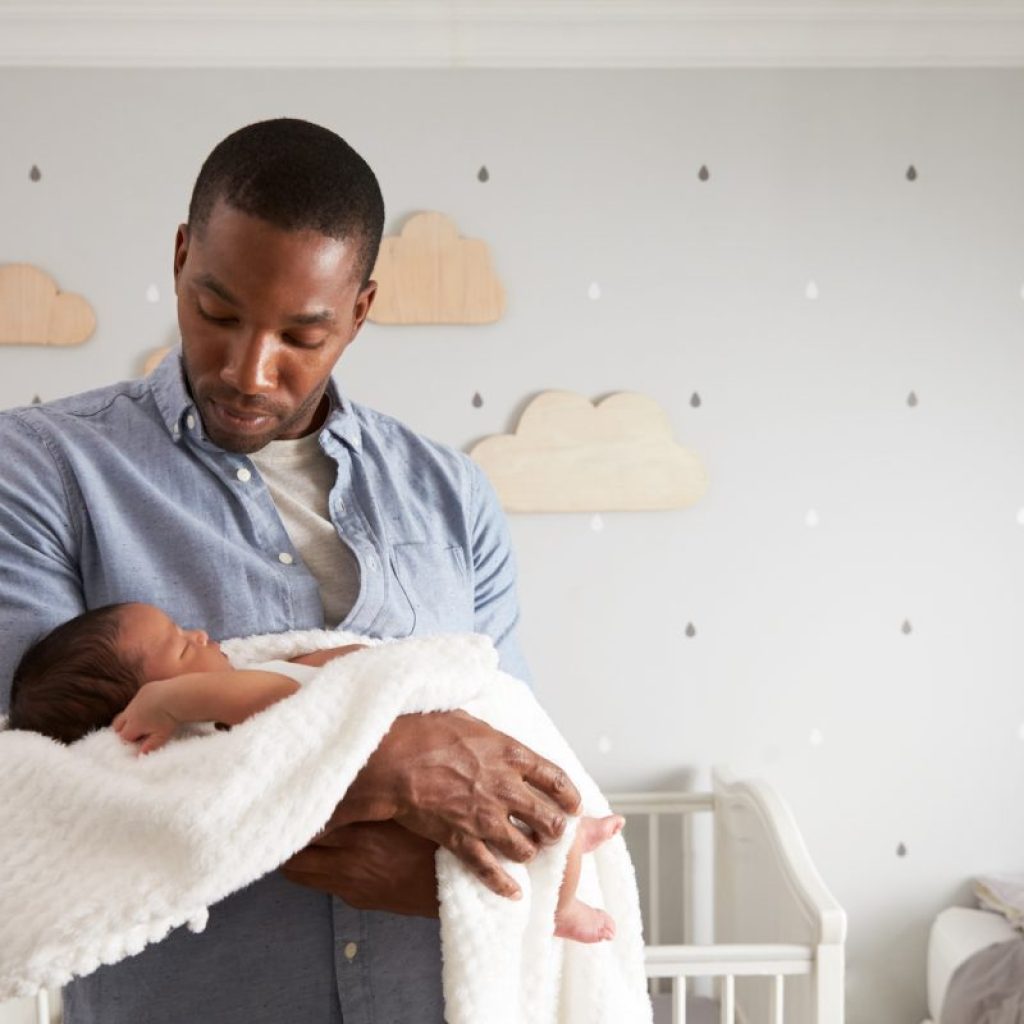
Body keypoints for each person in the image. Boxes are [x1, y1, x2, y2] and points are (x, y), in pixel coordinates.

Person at [0, 118, 583, 1023]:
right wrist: (400, 764)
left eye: (302, 336)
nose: (247, 370)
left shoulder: (451, 495)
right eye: (216, 311)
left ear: (360, 308)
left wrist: (365, 813)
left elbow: (516, 756)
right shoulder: (39, 472)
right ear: (183, 254)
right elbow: (54, 798)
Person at [8, 600, 621, 944]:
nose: (199, 632)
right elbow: (280, 704)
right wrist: (184, 700)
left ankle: (574, 845)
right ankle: (561, 903)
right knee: (540, 837)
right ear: (145, 708)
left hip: (464, 736)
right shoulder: (223, 723)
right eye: (178, 647)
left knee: (533, 804)